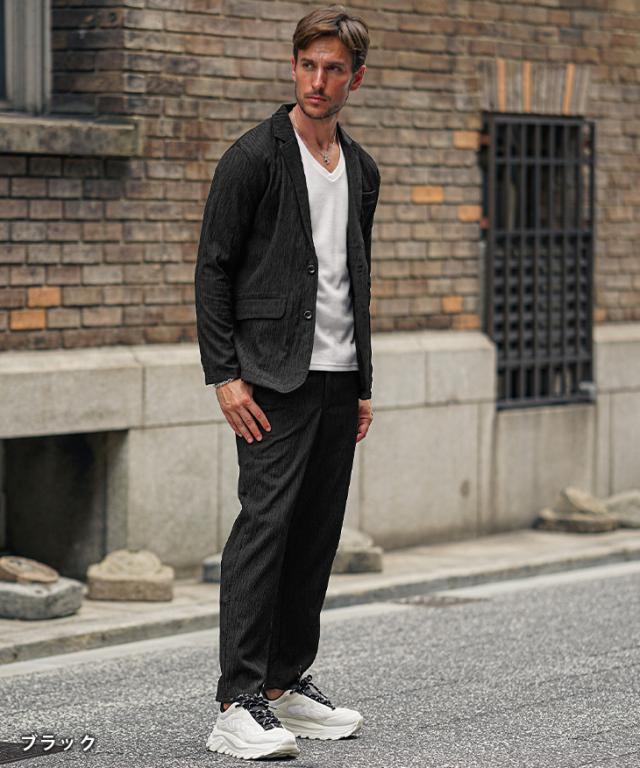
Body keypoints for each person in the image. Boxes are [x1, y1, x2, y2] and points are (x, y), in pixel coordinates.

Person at [194, 4, 380, 761]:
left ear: (354, 79)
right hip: (271, 377)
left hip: (338, 376)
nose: (318, 80)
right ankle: (235, 701)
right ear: (293, 67)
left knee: (315, 535)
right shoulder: (253, 158)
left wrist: (363, 381)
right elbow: (213, 269)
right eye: (308, 65)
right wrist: (224, 375)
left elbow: (353, 278)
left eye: (334, 69)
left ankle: (282, 685)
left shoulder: (361, 169)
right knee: (264, 531)